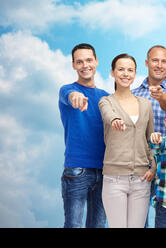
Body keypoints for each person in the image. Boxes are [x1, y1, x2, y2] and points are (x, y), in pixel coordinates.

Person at [98, 54, 156, 228]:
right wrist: (115, 120)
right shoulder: (106, 101)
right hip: (114, 179)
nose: (125, 74)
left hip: (141, 180)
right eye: (121, 69)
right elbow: (108, 114)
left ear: (135, 73)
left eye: (130, 70)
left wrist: (153, 168)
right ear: (112, 73)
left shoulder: (146, 104)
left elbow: (150, 140)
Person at [131, 45, 166, 227]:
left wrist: (161, 96)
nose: (159, 65)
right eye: (155, 60)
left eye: (164, 61)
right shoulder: (134, 95)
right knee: (138, 220)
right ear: (147, 63)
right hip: (140, 166)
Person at [58, 43, 108, 228]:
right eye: (79, 62)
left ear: (96, 61)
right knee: (74, 225)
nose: (85, 65)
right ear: (73, 65)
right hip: (77, 170)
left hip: (104, 172)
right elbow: (70, 96)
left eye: (88, 60)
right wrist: (75, 97)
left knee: (98, 225)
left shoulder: (106, 97)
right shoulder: (66, 90)